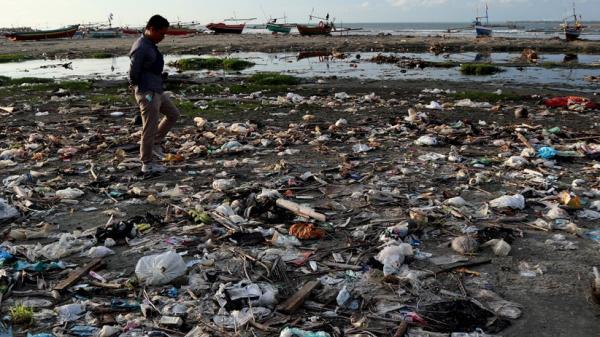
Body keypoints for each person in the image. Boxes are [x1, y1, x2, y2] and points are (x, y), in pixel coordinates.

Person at [129, 14, 179, 174]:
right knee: (149, 127)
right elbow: (133, 72)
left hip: (157, 89)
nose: (163, 37)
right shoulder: (141, 46)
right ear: (151, 29)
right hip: (148, 92)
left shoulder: (150, 44)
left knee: (173, 114)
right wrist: (142, 87)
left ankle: (156, 143)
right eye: (161, 33)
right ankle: (147, 163)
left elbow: (149, 67)